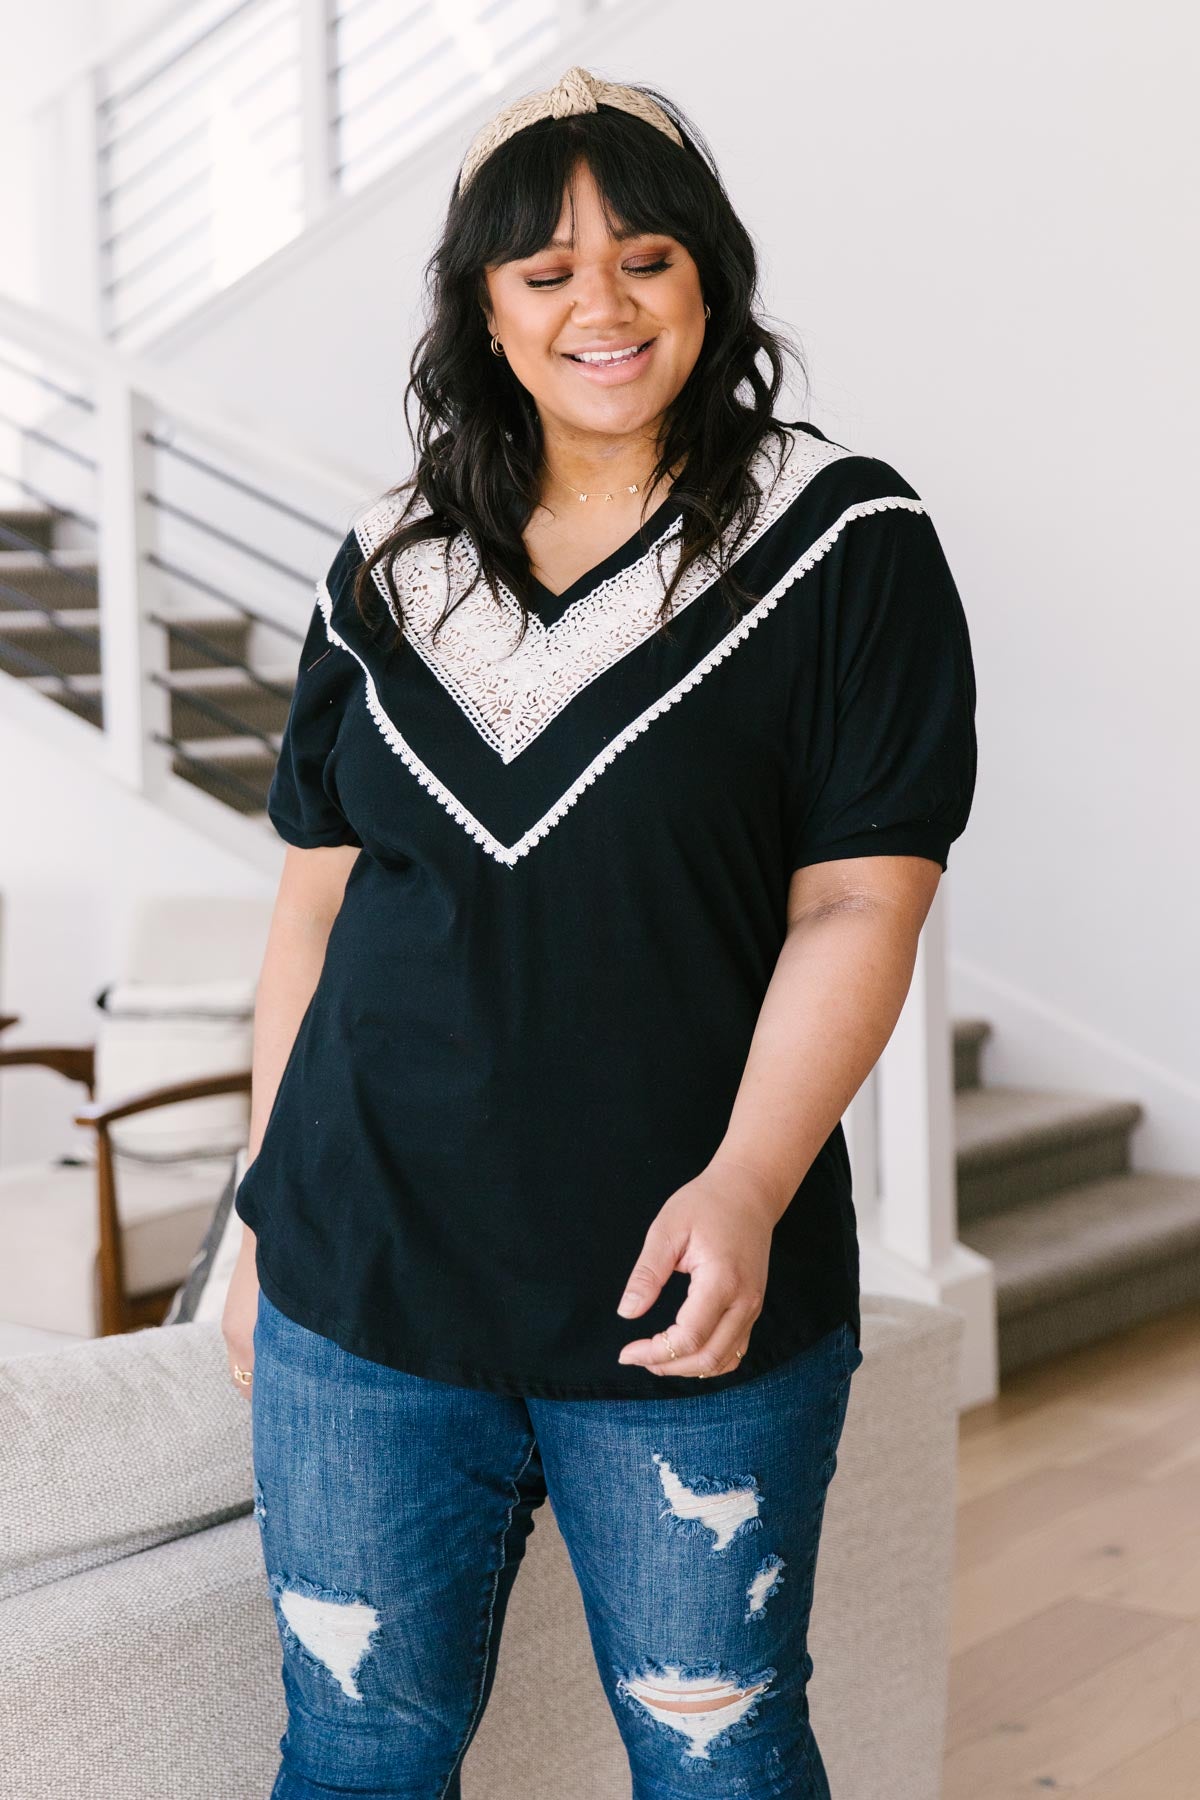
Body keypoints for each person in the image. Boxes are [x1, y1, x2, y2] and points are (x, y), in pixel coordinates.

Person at [222, 63, 977, 1800]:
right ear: (485, 313)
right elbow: (315, 907)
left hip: (680, 1292)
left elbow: (864, 896)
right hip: (363, 1287)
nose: (601, 306)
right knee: (356, 1748)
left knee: (717, 1750)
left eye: (643, 256)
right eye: (544, 273)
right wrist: (265, 1210)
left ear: (708, 279)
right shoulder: (384, 562)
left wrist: (749, 1185)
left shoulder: (845, 539)